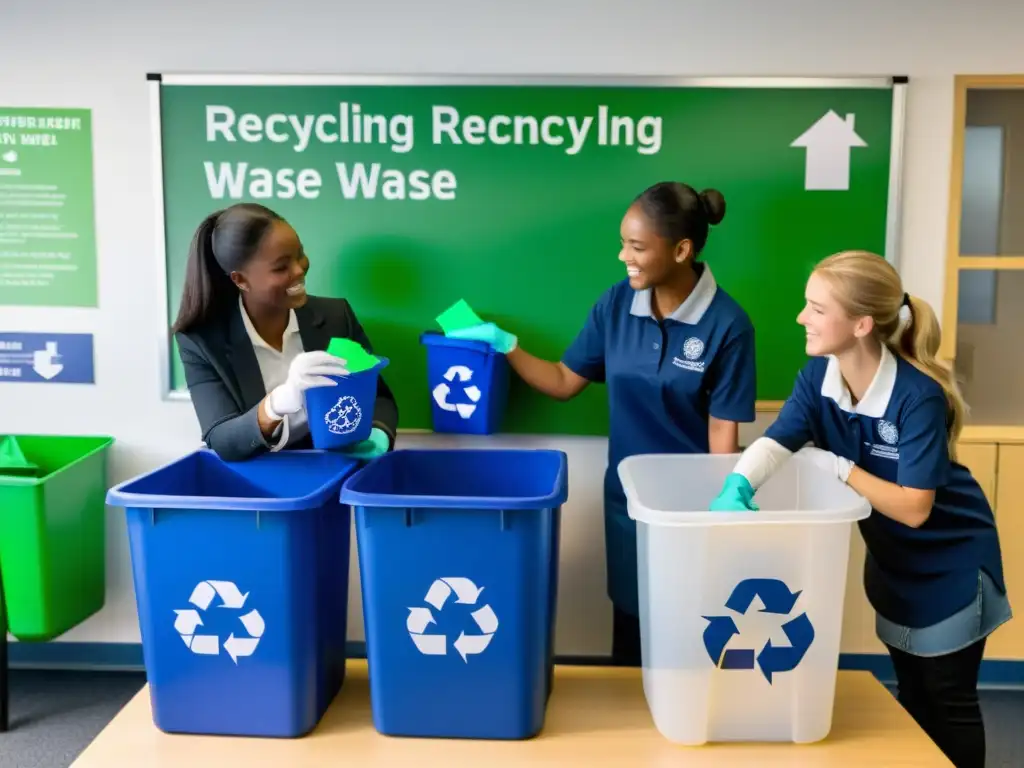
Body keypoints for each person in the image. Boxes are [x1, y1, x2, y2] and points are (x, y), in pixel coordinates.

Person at [709, 250, 1008, 768]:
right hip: (894, 568)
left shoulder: (917, 396)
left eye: (817, 309)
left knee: (949, 704)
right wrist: (736, 485)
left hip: (953, 568)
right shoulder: (817, 380)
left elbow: (915, 508)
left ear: (862, 324)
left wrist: (839, 468)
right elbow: (778, 443)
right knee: (912, 700)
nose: (802, 317)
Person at [450, 182, 757, 665]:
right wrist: (506, 344)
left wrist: (722, 511)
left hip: (692, 508)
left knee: (689, 625)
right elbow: (563, 381)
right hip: (627, 502)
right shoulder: (616, 305)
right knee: (632, 625)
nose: (623, 256)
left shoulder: (728, 324)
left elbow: (723, 436)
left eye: (636, 247)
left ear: (681, 250)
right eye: (623, 243)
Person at [171, 203, 398, 462]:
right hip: (261, 486)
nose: (299, 270)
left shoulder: (336, 316)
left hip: (332, 471)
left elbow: (379, 396)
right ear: (240, 280)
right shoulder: (201, 341)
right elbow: (222, 438)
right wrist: (278, 402)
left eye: (300, 255)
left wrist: (378, 436)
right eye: (281, 267)